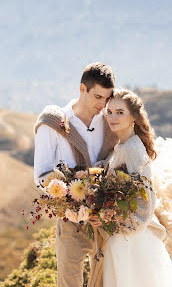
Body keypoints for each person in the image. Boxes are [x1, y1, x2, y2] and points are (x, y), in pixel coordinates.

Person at [33, 62, 118, 287]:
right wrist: (68, 200)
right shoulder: (54, 122)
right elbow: (41, 175)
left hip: (105, 222)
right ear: (82, 89)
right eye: (97, 97)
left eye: (107, 98)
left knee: (105, 282)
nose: (103, 104)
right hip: (71, 223)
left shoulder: (110, 123)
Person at [91, 88, 172, 287]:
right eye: (110, 112)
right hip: (120, 237)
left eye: (120, 112)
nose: (112, 117)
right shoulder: (121, 146)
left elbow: (147, 201)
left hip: (132, 240)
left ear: (133, 116)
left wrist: (113, 221)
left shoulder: (133, 149)